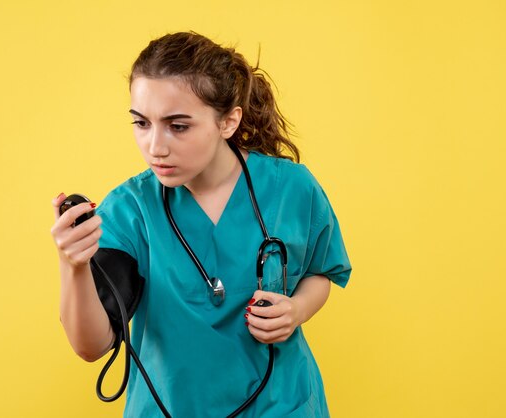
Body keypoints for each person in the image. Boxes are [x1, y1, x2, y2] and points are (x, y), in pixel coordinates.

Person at [50, 31, 351, 417]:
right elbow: (92, 347)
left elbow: (320, 271)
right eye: (142, 123)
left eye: (178, 126)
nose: (155, 147)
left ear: (228, 122)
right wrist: (72, 265)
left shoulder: (291, 188)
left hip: (282, 404)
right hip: (171, 407)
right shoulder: (129, 210)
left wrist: (297, 310)